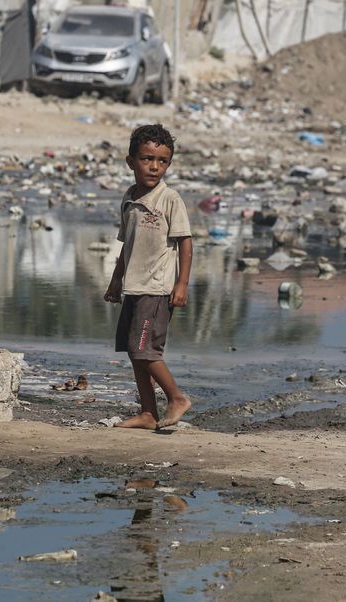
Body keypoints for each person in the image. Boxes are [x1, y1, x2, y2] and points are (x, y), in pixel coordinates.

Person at [103, 124, 193, 430]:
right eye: (146, 159)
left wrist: (181, 283)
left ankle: (177, 398)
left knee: (145, 350)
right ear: (130, 161)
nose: (154, 166)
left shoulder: (170, 199)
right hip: (133, 286)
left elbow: (185, 242)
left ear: (169, 163)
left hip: (157, 289)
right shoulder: (129, 197)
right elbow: (127, 245)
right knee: (133, 350)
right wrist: (116, 281)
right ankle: (148, 412)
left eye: (162, 161)